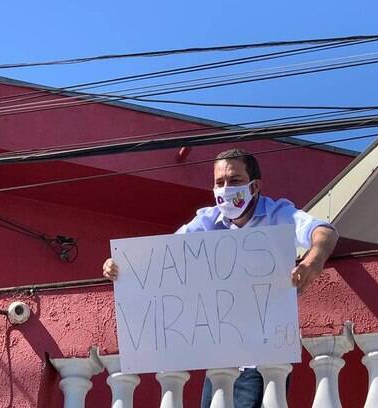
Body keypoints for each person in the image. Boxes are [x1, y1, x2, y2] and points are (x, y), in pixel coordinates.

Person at [103, 148, 338, 408]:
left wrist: (312, 262)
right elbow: (164, 255)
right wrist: (122, 264)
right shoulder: (206, 220)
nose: (225, 188)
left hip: (261, 359)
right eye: (219, 182)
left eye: (234, 181)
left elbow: (324, 232)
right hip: (220, 360)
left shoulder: (277, 214)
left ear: (255, 185)